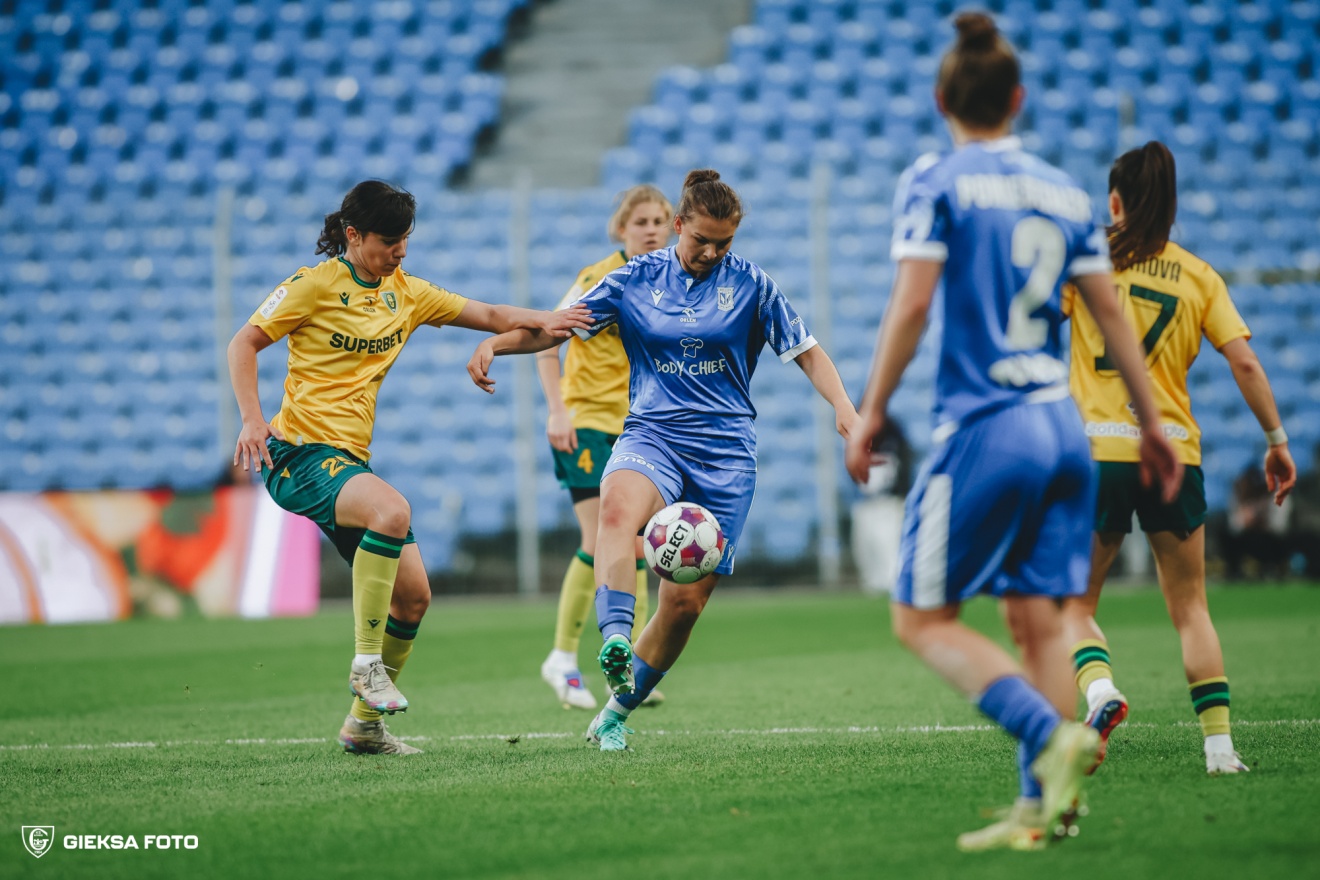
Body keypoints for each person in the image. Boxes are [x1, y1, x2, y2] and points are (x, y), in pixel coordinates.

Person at [845, 14, 1182, 852]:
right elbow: (1110, 316)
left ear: (941, 99)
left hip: (985, 427)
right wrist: (1152, 424)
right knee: (1037, 620)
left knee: (921, 620)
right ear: (1018, 99)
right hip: (1065, 430)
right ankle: (1043, 811)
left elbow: (913, 303)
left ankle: (1049, 738)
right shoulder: (1066, 191)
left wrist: (873, 408)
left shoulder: (935, 179)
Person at [468, 169, 858, 752]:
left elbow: (807, 351)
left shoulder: (752, 284)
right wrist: (497, 343)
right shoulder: (634, 278)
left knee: (683, 605)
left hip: (725, 455)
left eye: (724, 242)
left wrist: (845, 408)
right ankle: (615, 637)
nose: (712, 252)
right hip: (653, 434)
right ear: (679, 225)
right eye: (701, 239)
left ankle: (615, 712)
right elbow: (557, 330)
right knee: (615, 513)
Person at [227, 180, 589, 755]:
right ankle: (366, 664)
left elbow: (494, 314)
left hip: (347, 461)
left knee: (413, 598)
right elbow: (242, 344)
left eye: (405, 240)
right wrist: (251, 419)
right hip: (297, 454)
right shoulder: (311, 285)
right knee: (392, 511)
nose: (399, 252)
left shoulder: (408, 293)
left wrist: (553, 320)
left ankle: (363, 727)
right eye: (388, 241)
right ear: (353, 235)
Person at [1062, 142, 1295, 775]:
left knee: (1073, 605)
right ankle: (1220, 749)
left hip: (1098, 451)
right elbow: (1245, 362)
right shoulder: (1198, 275)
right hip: (1175, 455)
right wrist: (1276, 441)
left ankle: (1100, 693)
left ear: (1114, 203)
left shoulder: (1085, 263)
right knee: (1191, 607)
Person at [533, 185, 674, 710]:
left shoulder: (669, 283)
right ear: (621, 229)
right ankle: (563, 658)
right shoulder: (598, 279)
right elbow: (547, 339)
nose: (652, 230)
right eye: (641, 222)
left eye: (659, 221)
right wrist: (557, 410)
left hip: (637, 429)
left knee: (636, 546)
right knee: (599, 540)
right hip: (587, 423)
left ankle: (630, 664)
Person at [850, 418, 912, 595]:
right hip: (866, 502)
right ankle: (874, 585)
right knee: (865, 547)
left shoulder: (893, 439)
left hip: (888, 501)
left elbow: (903, 468)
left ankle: (894, 584)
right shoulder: (859, 444)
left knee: (888, 544)